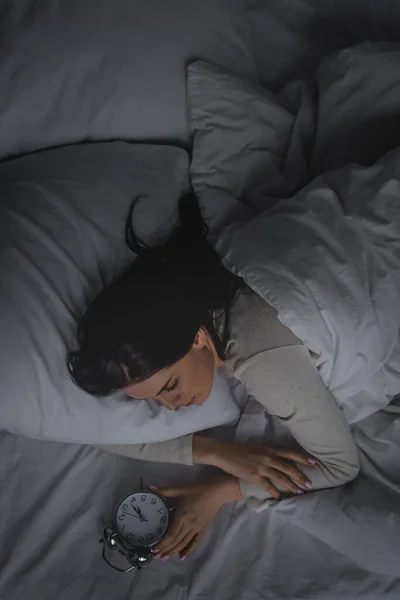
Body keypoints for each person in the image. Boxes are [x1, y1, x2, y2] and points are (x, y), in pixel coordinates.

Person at [67, 193, 360, 562]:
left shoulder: (260, 358)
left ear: (197, 337)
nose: (171, 409)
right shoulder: (207, 273)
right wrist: (215, 451)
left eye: (170, 387)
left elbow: (341, 467)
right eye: (155, 401)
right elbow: (99, 431)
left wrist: (219, 491)